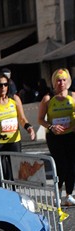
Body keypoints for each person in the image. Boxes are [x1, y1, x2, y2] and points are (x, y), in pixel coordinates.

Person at [0, 71, 35, 181]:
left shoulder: (14, 99)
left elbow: (22, 118)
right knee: (4, 175)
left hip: (14, 141)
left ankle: (15, 196)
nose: (3, 88)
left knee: (16, 174)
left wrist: (29, 128)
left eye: (6, 85)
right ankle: (6, 195)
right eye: (0, 85)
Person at [38, 68, 75, 207]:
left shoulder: (73, 96)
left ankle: (69, 195)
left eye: (64, 80)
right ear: (54, 82)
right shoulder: (48, 99)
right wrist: (51, 127)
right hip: (55, 137)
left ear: (68, 81)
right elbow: (40, 119)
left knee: (72, 165)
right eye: (58, 80)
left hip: (71, 135)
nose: (61, 83)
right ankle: (57, 194)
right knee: (61, 165)